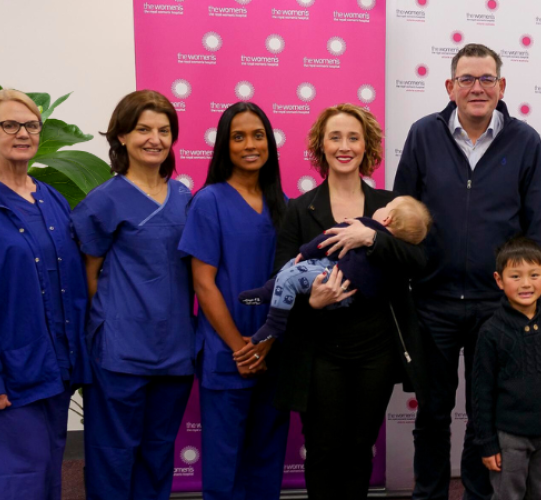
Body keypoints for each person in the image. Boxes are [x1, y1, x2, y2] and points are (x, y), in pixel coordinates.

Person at [393, 42, 541, 500]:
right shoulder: (424, 135)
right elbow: (402, 215)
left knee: (486, 414)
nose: (477, 88)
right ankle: (429, 494)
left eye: (487, 79)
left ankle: (479, 496)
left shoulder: (525, 141)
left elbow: (537, 224)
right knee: (433, 413)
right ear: (450, 86)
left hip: (495, 305)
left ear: (502, 87)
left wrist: (524, 293)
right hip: (433, 302)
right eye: (467, 79)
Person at [270, 103, 428, 499]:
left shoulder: (390, 205)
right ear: (320, 147)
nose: (345, 146)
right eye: (335, 137)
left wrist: (371, 237)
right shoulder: (298, 209)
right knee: (323, 451)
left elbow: (419, 261)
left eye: (353, 138)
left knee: (360, 450)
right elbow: (280, 280)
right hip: (319, 351)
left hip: (376, 351)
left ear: (366, 146)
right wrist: (314, 304)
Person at [72, 90, 195, 500]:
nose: (154, 138)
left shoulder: (183, 198)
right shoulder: (104, 200)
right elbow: (88, 276)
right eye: (143, 129)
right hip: (119, 352)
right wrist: (109, 326)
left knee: (158, 454)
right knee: (112, 455)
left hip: (174, 349)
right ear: (121, 136)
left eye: (163, 130)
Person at [176, 102, 290, 500]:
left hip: (272, 351)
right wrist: (241, 347)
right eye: (238, 136)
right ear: (224, 145)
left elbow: (291, 281)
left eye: (258, 135)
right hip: (229, 354)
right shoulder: (208, 201)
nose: (249, 144)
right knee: (224, 469)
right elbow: (203, 284)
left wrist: (266, 344)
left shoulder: (283, 205)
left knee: (266, 461)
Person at [0, 89, 91, 500]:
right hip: (12, 380)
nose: (23, 133)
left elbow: (73, 285)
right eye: (9, 124)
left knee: (51, 481)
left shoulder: (52, 199)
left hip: (58, 371)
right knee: (20, 484)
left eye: (31, 125)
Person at [472, 237, 541, 500]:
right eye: (515, 276)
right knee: (508, 495)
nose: (526, 284)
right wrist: (487, 444)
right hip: (510, 437)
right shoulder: (491, 331)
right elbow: (481, 393)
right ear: (499, 280)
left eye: (534, 275)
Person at [237, 195, 431, 344]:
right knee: (289, 270)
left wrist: (306, 252)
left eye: (386, 207)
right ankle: (268, 291)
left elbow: (326, 239)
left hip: (335, 279)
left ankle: (274, 323)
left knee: (290, 273)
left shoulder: (367, 224)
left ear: (387, 219)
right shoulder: (301, 206)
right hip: (348, 295)